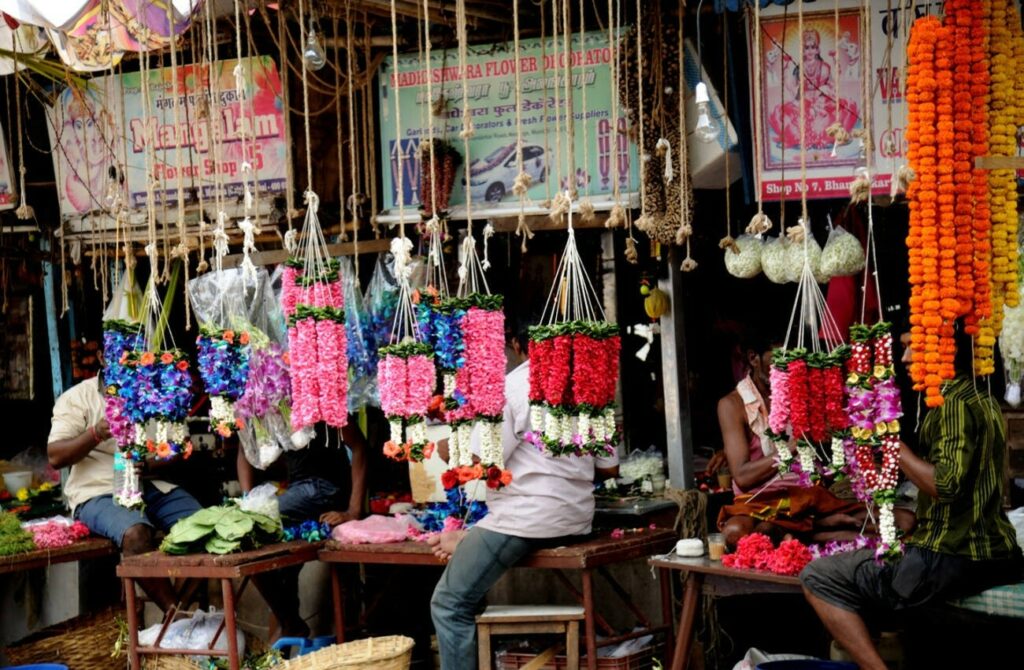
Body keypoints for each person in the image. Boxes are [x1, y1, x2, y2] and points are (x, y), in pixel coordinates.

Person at [800, 321, 1024, 670]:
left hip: (951, 557)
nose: (903, 357)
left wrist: (889, 439)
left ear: (944, 352)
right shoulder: (982, 397)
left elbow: (945, 485)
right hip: (995, 554)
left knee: (818, 576)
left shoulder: (952, 403)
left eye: (912, 347)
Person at [428, 324, 620, 670]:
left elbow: (481, 460)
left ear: (517, 344)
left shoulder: (516, 385)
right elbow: (609, 468)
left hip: (526, 521)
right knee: (476, 554)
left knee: (449, 602)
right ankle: (471, 539)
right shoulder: (587, 382)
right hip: (575, 518)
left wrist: (446, 448)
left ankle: (473, 540)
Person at [48, 371, 202, 612]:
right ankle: (177, 618)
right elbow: (55, 456)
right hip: (97, 491)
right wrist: (95, 433)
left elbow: (181, 447)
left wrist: (150, 464)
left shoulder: (158, 391)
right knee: (135, 534)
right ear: (101, 356)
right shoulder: (78, 397)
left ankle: (174, 622)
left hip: (148, 484)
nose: (128, 358)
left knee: (206, 528)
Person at [716, 329, 866, 548]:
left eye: (795, 361)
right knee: (735, 533)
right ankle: (813, 529)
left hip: (806, 498)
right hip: (757, 504)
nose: (789, 368)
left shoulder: (803, 392)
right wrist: (796, 444)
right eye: (780, 360)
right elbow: (742, 477)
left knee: (903, 521)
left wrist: (836, 436)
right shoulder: (732, 405)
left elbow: (829, 452)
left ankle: (801, 530)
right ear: (753, 358)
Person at [237, 419, 368, 638]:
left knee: (249, 530)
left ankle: (292, 624)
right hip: (300, 489)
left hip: (327, 489)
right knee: (257, 548)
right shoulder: (265, 401)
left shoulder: (318, 395)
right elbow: (244, 450)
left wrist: (353, 511)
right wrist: (248, 500)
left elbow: (360, 447)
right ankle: (290, 624)